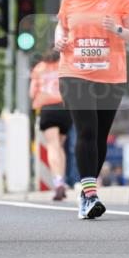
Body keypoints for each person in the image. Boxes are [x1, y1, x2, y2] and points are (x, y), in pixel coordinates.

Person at [55, 0, 129, 220]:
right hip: (74, 73)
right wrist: (59, 39)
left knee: (100, 135)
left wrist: (116, 29)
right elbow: (62, 26)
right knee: (87, 130)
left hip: (110, 76)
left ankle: (85, 191)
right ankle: (91, 194)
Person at [29, 48, 72, 200]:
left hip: (47, 108)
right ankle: (62, 180)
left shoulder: (39, 68)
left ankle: (58, 181)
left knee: (52, 146)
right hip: (65, 107)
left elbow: (32, 93)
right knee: (60, 146)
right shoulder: (65, 63)